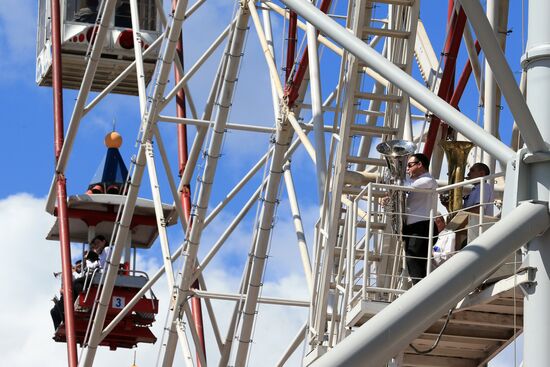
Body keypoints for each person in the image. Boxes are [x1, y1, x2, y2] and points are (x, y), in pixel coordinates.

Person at [403, 153, 438, 284]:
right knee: (413, 261)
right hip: (415, 227)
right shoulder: (417, 183)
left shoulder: (427, 180)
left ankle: (420, 290)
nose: (407, 169)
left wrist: (394, 185)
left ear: (419, 165)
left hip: (422, 226)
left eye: (409, 165)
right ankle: (421, 288)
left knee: (413, 259)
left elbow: (405, 187)